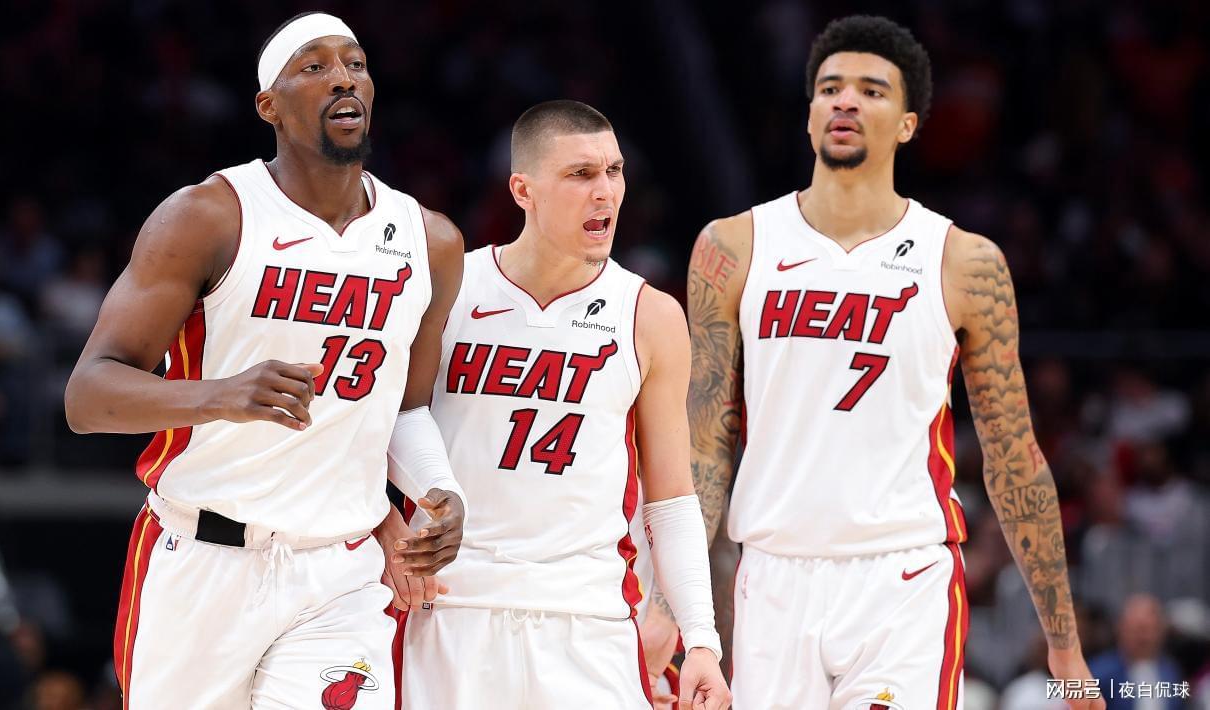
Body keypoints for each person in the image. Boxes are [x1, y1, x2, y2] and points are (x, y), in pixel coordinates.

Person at [687, 15, 1102, 709]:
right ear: (809, 113)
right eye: (830, 88)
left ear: (908, 124)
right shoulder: (733, 247)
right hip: (771, 577)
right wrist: (673, 608)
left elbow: (1012, 455)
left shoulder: (965, 262)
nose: (845, 101)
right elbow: (703, 449)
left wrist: (1063, 643)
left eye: (871, 90)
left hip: (901, 581)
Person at [64, 12, 466, 709]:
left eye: (356, 63)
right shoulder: (209, 216)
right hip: (201, 559)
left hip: (339, 573)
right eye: (314, 66)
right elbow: (87, 396)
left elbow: (404, 407)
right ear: (268, 106)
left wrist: (438, 489)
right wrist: (219, 395)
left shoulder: (429, 241)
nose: (343, 78)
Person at [394, 100, 730, 710]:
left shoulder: (650, 315)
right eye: (581, 174)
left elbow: (671, 499)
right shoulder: (448, 289)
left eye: (614, 171)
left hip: (588, 620)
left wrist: (701, 637)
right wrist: (386, 529)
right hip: (450, 607)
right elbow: (378, 427)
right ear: (523, 190)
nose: (606, 191)